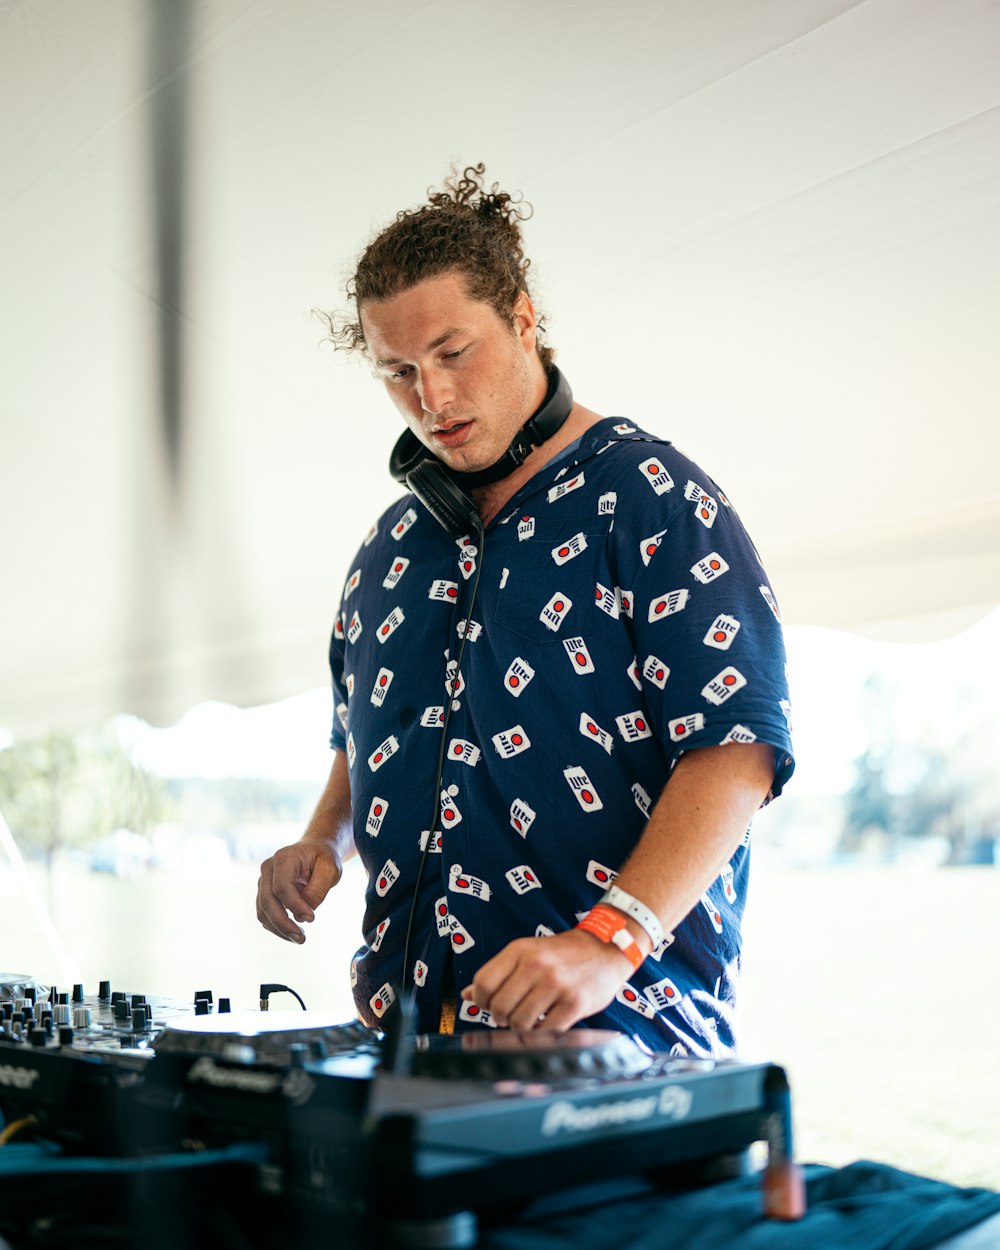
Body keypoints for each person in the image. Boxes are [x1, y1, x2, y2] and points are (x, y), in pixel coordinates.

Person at [256, 164, 794, 1055]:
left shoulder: (653, 495)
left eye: (452, 353)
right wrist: (322, 839)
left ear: (523, 317)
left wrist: (608, 940)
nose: (430, 398)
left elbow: (736, 750)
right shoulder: (387, 548)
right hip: (404, 1040)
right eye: (398, 371)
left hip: (618, 1037)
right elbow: (361, 741)